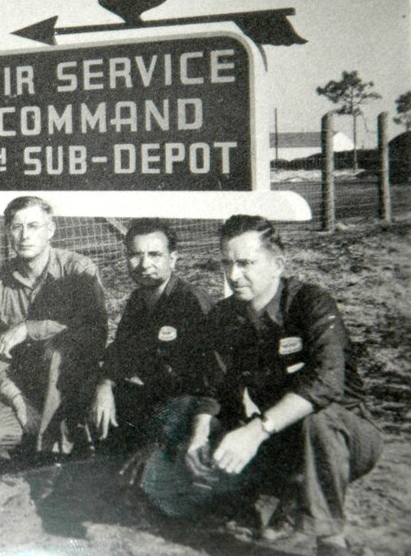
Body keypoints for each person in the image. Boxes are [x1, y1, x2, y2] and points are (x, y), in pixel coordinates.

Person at [134, 215, 382, 556]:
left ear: (278, 263)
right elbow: (213, 387)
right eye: (227, 263)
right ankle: (278, 498)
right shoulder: (225, 316)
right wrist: (201, 435)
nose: (234, 275)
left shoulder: (309, 302)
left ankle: (328, 540)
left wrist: (257, 431)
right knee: (187, 474)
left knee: (318, 420)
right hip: (278, 439)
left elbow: (326, 382)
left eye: (246, 263)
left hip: (345, 438)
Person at [0, 196, 108, 462]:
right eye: (17, 227)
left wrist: (30, 328)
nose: (24, 236)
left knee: (59, 352)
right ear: (7, 232)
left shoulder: (78, 269)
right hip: (24, 385)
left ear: (50, 230)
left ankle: (54, 446)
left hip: (73, 381)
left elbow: (93, 334)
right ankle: (41, 437)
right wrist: (17, 400)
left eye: (34, 226)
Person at [90, 219, 214, 455]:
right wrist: (105, 385)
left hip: (189, 405)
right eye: (136, 255)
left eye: (155, 254)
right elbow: (121, 351)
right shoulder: (138, 300)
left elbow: (209, 380)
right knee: (100, 401)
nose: (145, 264)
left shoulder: (191, 302)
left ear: (173, 258)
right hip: (155, 397)